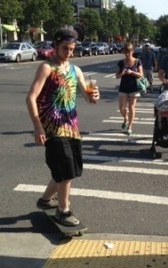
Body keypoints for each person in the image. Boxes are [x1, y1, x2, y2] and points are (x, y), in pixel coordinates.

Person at [25, 28, 100, 226]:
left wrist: (93, 97)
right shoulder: (46, 68)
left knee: (69, 169)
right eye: (65, 48)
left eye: (72, 49)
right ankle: (63, 210)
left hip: (72, 127)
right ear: (56, 47)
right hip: (51, 127)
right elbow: (31, 97)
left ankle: (45, 200)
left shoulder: (76, 70)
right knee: (66, 168)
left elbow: (86, 96)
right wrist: (38, 127)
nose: (69, 53)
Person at [116, 42, 144, 135]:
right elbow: (117, 76)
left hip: (134, 87)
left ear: (132, 51)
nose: (127, 54)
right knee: (121, 108)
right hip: (123, 87)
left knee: (131, 107)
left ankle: (130, 126)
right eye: (126, 52)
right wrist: (123, 73)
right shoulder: (121, 63)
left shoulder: (137, 61)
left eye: (129, 52)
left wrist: (132, 72)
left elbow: (141, 75)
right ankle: (125, 118)